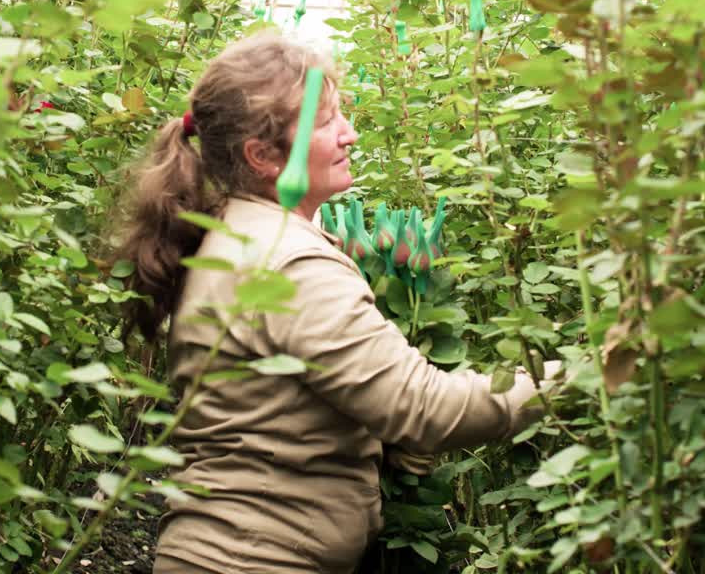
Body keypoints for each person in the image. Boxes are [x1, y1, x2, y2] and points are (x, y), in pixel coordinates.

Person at [116, 32, 561, 574]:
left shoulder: (231, 234)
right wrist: (573, 380)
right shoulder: (291, 263)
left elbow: (273, 402)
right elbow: (428, 409)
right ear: (262, 156)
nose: (350, 134)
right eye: (326, 122)